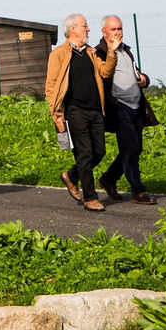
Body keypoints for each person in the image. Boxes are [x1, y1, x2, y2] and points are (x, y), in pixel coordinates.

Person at [46, 14, 116, 211]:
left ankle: (71, 176)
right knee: (84, 154)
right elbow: (51, 87)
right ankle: (90, 198)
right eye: (85, 26)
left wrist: (111, 52)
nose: (88, 29)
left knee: (99, 152)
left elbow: (106, 72)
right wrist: (57, 116)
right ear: (73, 29)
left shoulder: (91, 53)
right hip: (74, 111)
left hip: (95, 110)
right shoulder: (59, 54)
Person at [95, 16, 154, 204]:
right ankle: (138, 191)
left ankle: (108, 179)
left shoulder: (126, 51)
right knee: (130, 148)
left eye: (119, 28)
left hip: (136, 105)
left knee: (135, 149)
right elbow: (102, 79)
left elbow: (135, 73)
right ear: (104, 32)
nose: (117, 32)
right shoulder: (100, 52)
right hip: (120, 107)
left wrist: (144, 79)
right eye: (113, 29)